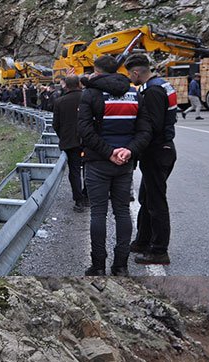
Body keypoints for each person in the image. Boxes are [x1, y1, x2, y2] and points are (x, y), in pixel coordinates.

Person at [77, 55, 153, 276]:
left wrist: (109, 153)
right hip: (125, 163)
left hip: (98, 162)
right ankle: (120, 266)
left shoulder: (90, 94)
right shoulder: (134, 93)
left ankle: (98, 266)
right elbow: (145, 130)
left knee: (98, 214)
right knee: (122, 212)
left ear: (96, 71)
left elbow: (85, 131)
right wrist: (128, 150)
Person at [125, 54, 177, 266]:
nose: (129, 77)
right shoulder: (160, 85)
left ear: (136, 72)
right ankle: (143, 241)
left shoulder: (153, 91)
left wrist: (133, 147)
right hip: (159, 151)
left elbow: (152, 127)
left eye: (130, 74)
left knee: (156, 203)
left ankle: (159, 251)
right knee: (146, 200)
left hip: (157, 152)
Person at [53, 76, 88, 211]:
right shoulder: (87, 97)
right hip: (87, 140)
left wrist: (63, 137)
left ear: (66, 86)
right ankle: (88, 196)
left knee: (74, 171)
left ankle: (78, 199)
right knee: (89, 168)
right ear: (79, 84)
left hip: (70, 141)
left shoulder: (59, 102)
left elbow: (56, 124)